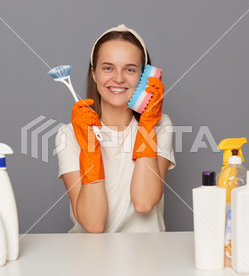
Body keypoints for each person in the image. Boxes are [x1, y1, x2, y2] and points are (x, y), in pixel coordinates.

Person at [55, 24, 175, 233]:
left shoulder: (159, 125)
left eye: (130, 69)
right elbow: (94, 224)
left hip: (148, 256)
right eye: (108, 68)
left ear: (144, 77)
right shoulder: (69, 135)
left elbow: (144, 203)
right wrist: (90, 148)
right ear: (93, 73)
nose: (118, 78)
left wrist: (146, 127)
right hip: (91, 257)